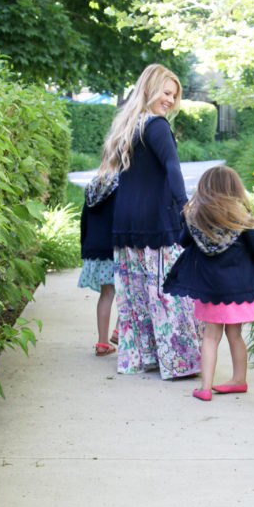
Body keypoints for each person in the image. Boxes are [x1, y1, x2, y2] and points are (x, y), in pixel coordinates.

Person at [103, 64, 202, 379]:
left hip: (127, 223)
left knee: (136, 295)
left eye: (174, 95)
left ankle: (143, 357)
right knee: (168, 292)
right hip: (157, 223)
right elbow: (173, 169)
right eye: (166, 92)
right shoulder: (157, 126)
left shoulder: (128, 125)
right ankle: (178, 362)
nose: (171, 100)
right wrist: (185, 208)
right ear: (149, 89)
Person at [163, 165, 254, 401]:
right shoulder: (240, 216)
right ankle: (239, 380)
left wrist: (188, 221)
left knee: (210, 336)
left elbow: (183, 242)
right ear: (234, 189)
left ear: (204, 189)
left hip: (209, 289)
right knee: (235, 336)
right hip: (237, 289)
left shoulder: (196, 216)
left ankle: (205, 387)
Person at [78, 163, 118, 355]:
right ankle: (118, 331)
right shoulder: (121, 187)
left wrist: (84, 246)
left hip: (97, 249)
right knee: (128, 292)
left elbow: (83, 221)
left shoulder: (93, 187)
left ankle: (102, 343)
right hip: (117, 247)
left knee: (106, 294)